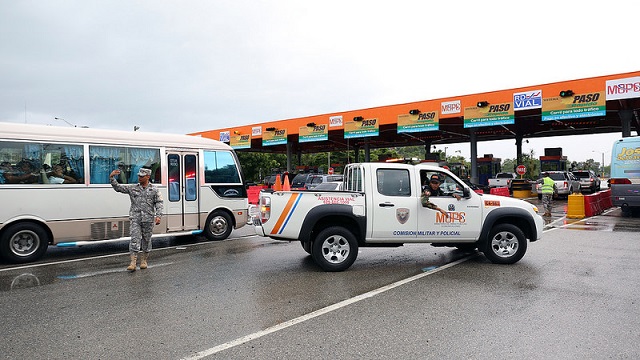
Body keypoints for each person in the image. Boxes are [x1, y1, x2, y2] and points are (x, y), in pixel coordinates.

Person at [109, 167, 163, 271]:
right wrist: (112, 178)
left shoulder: (154, 189)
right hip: (136, 218)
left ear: (148, 177)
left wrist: (158, 216)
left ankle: (144, 260)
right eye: (138, 175)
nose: (139, 177)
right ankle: (133, 262)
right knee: (134, 239)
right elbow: (118, 188)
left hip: (148, 219)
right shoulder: (133, 188)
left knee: (146, 240)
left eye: (142, 176)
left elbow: (159, 203)